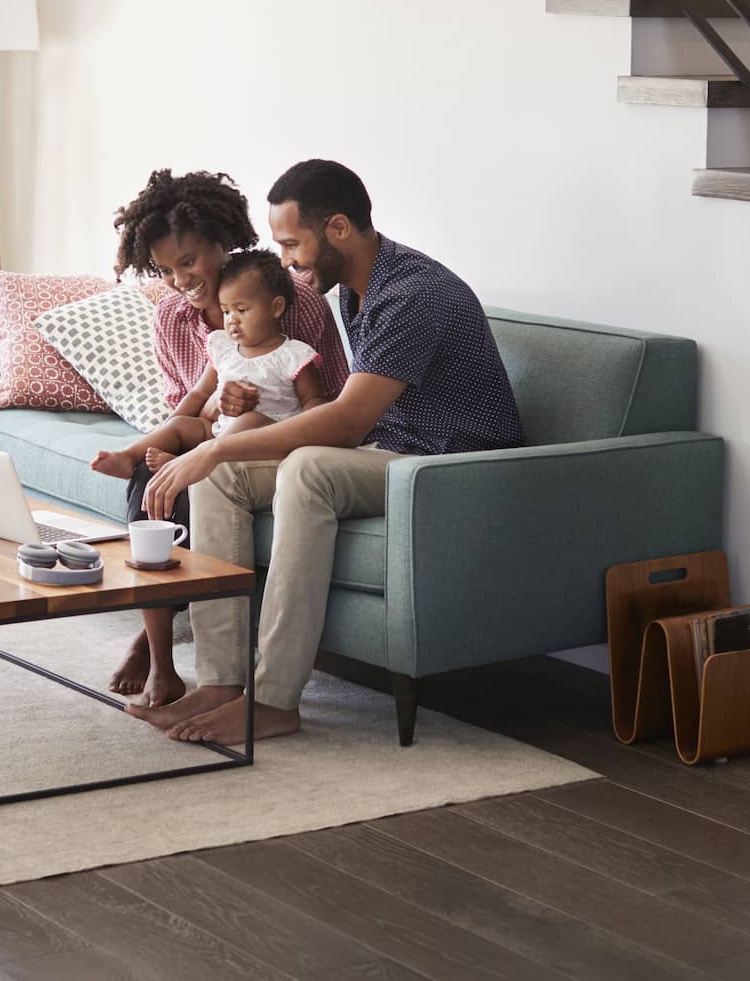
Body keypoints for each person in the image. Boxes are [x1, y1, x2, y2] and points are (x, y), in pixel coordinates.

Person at [132, 159, 526, 745]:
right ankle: (222, 682)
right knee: (221, 479)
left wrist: (211, 450)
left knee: (306, 468)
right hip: (391, 452)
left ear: (338, 228)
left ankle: (273, 702)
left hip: (450, 466)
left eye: (292, 243)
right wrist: (217, 449)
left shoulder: (412, 293)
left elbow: (343, 422)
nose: (286, 261)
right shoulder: (357, 293)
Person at [106, 169, 350, 707]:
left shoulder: (294, 302)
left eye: (189, 262)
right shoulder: (171, 314)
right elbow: (185, 407)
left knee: (195, 477)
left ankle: (184, 659)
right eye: (167, 270)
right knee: (152, 478)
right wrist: (215, 412)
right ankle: (159, 656)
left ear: (222, 242)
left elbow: (326, 402)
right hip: (208, 433)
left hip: (277, 439)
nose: (180, 281)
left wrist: (240, 417)